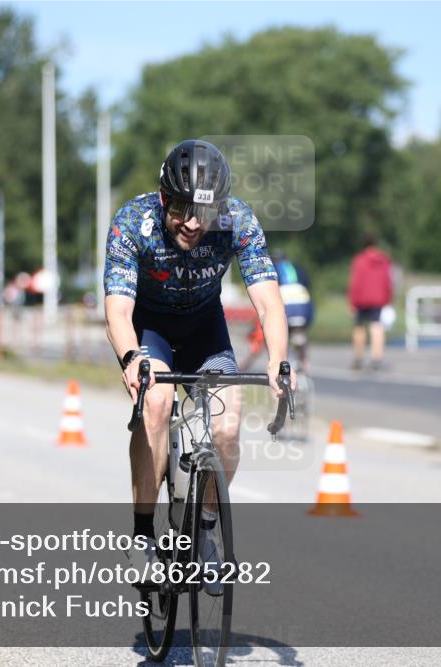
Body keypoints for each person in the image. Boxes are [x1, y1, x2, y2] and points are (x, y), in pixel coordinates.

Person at [103, 139, 294, 582]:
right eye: (182, 209)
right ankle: (141, 537)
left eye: (204, 212)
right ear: (164, 197)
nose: (192, 223)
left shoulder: (239, 221)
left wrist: (279, 360)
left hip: (205, 327)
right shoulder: (134, 222)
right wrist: (131, 357)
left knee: (228, 426)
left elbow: (269, 302)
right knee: (157, 404)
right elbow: (117, 308)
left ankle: (205, 528)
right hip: (150, 329)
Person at [244, 250, 314, 373]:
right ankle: (304, 362)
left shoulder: (271, 268)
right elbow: (307, 286)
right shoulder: (297, 267)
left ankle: (278, 362)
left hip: (285, 300)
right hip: (303, 300)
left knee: (278, 329)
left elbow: (266, 298)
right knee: (300, 331)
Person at [347, 232, 393, 371]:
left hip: (361, 299)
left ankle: (358, 358)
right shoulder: (384, 260)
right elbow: (388, 281)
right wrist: (387, 298)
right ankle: (376, 358)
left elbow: (356, 282)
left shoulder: (359, 260)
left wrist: (352, 301)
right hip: (378, 298)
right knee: (376, 327)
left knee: (359, 327)